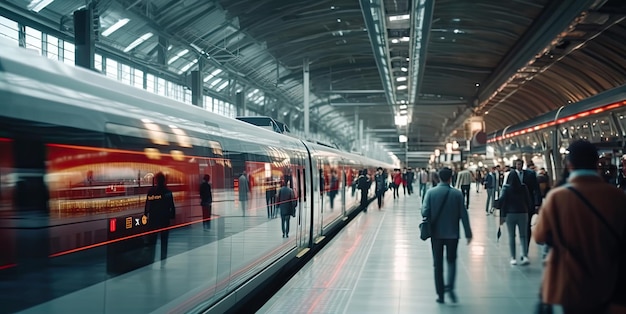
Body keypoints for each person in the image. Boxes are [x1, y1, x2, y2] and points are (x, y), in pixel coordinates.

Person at [534, 140, 626, 313]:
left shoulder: (557, 197)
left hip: (570, 281)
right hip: (608, 281)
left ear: (569, 165)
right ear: (597, 164)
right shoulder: (618, 196)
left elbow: (539, 236)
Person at [421, 167, 473, 304]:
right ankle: (450, 287)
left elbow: (424, 212)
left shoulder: (430, 192)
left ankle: (440, 294)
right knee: (451, 261)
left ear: (438, 177)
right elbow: (464, 214)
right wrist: (468, 233)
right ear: (451, 178)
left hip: (436, 234)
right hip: (452, 234)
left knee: (437, 264)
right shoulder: (457, 194)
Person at [499, 170, 532, 265]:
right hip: (523, 213)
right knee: (523, 236)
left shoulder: (506, 188)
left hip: (510, 214)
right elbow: (528, 200)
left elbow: (502, 201)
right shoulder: (523, 187)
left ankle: (513, 258)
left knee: (511, 236)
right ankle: (525, 256)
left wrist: (502, 215)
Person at [144, 172, 176, 263]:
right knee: (164, 240)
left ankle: (151, 259)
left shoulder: (151, 191)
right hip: (165, 219)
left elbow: (147, 205)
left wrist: (145, 215)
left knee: (152, 241)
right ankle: (163, 259)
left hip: (153, 219)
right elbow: (171, 205)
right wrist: (172, 216)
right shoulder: (168, 192)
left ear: (156, 180)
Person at [513, 159, 541, 253]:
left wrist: (537, 204)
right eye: (517, 164)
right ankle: (521, 243)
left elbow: (536, 189)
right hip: (515, 205)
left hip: (528, 204)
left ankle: (525, 249)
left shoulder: (530, 175)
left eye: (520, 164)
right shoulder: (511, 175)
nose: (518, 166)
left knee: (527, 226)